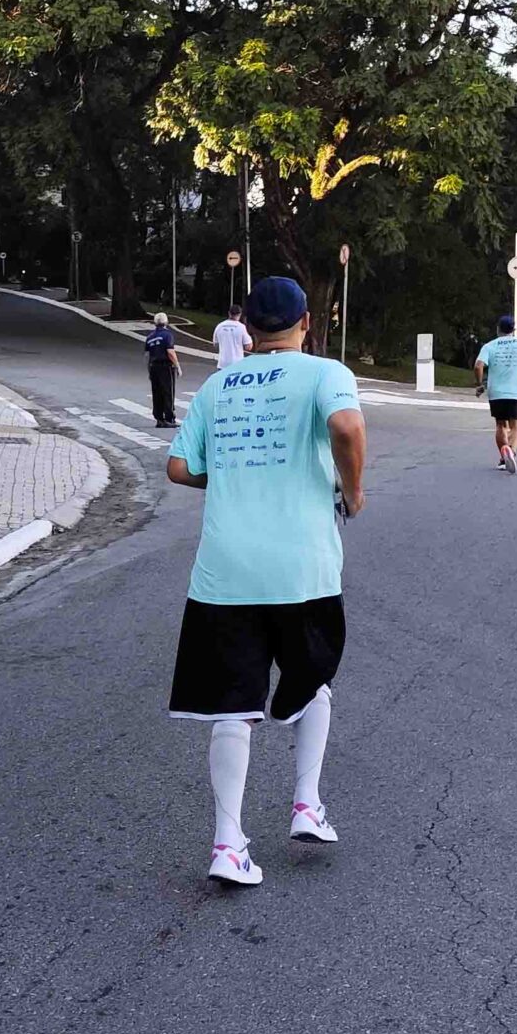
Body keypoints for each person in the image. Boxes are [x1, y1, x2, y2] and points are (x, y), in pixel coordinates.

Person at [166, 275, 366, 889]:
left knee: (232, 707)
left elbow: (179, 467)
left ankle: (228, 845)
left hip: (224, 572)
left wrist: (232, 477)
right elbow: (347, 429)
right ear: (306, 322)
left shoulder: (217, 386)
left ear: (248, 329)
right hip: (303, 568)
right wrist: (353, 492)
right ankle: (307, 804)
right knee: (314, 680)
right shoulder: (325, 373)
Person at [474, 314, 517, 471]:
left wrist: (479, 384)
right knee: (516, 426)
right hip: (516, 391)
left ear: (498, 329)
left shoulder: (489, 346)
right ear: (513, 330)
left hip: (496, 392)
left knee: (500, 425)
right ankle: (511, 451)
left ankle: (504, 459)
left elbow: (478, 366)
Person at [145, 311, 181, 426]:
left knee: (156, 392)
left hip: (153, 367)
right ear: (166, 322)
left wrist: (149, 370)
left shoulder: (150, 337)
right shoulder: (167, 335)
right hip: (165, 366)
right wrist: (177, 366)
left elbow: (147, 355)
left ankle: (159, 418)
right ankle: (169, 418)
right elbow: (170, 352)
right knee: (168, 392)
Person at [214, 304, 252, 369]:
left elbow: (216, 345)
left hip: (222, 364)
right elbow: (248, 347)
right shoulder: (241, 327)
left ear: (229, 313)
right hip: (237, 364)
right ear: (240, 314)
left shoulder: (219, 326)